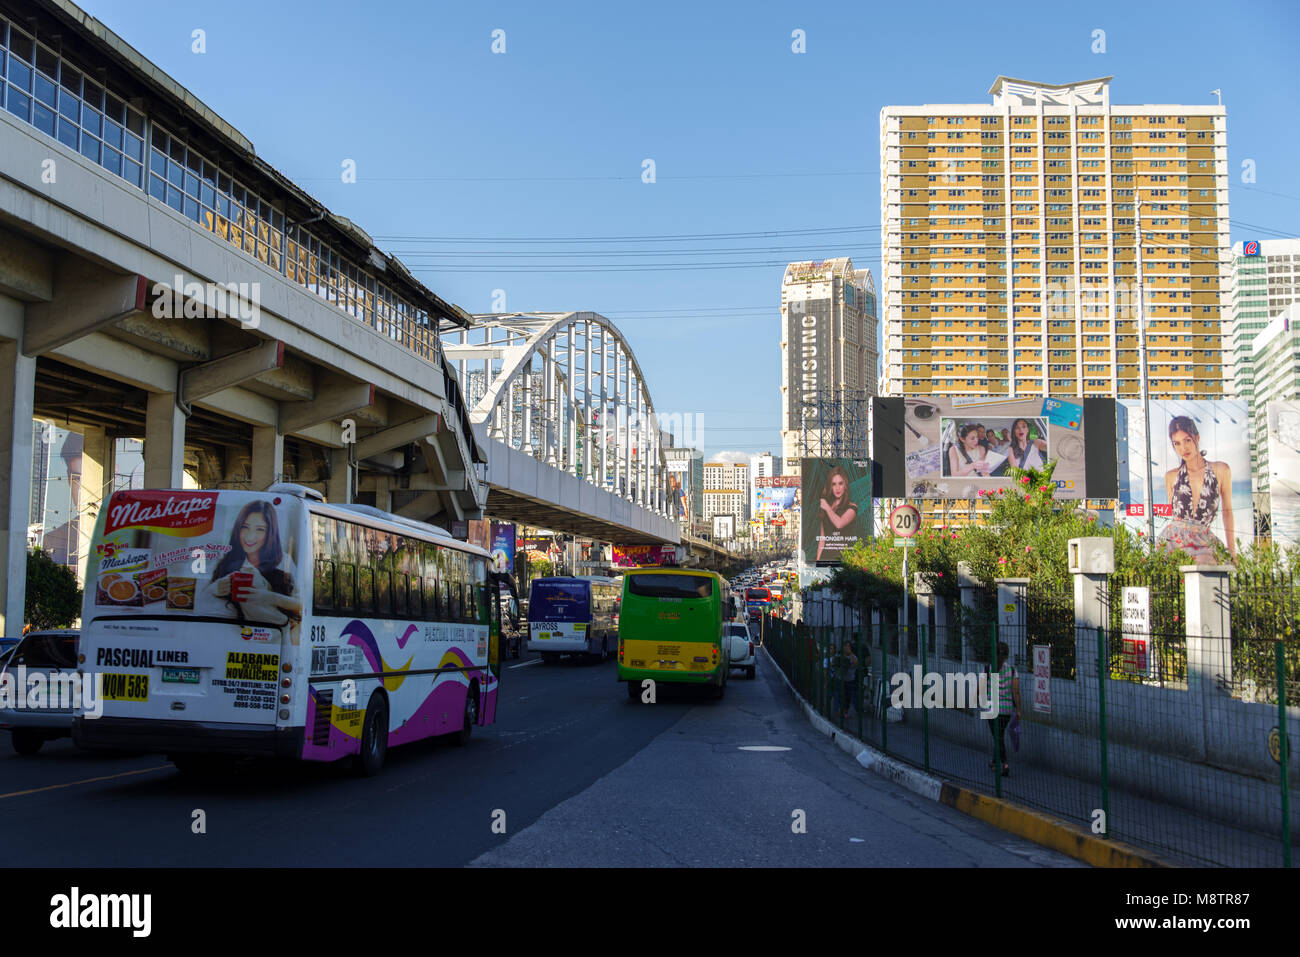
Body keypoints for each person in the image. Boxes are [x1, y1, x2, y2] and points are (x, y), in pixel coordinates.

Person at [203, 500, 302, 630]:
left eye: (260, 530)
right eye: (245, 527)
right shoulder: (225, 561)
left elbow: (301, 604)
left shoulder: (283, 561)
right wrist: (214, 589)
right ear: (238, 529)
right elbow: (200, 600)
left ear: (270, 533)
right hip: (226, 635)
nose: (250, 537)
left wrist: (270, 597)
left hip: (270, 635)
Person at [1162, 415, 1235, 560]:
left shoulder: (1220, 470)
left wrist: (1232, 550)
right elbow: (1174, 516)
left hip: (1204, 540)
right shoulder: (1171, 476)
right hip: (1175, 542)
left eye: (1187, 440)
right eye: (1177, 443)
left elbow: (1227, 512)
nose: (1183, 448)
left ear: (1197, 437)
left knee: (1211, 567)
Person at [987, 641, 1020, 776]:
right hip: (1006, 710)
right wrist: (1018, 710)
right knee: (999, 735)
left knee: (998, 737)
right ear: (1007, 655)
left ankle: (1005, 763)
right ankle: (994, 762)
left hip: (992, 708)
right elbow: (1016, 692)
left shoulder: (988, 669)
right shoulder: (1012, 671)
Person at [815, 467, 860, 562]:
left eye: (840, 483)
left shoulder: (852, 507)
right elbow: (822, 539)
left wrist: (826, 507)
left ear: (845, 486)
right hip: (825, 558)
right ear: (830, 487)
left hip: (844, 558)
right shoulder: (827, 507)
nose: (837, 488)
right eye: (834, 484)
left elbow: (839, 524)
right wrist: (818, 562)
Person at [829, 638, 859, 721]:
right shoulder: (839, 656)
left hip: (850, 679)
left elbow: (856, 663)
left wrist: (850, 654)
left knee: (848, 696)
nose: (847, 648)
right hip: (841, 679)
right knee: (840, 695)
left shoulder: (853, 656)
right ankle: (839, 710)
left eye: (849, 646)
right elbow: (834, 663)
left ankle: (845, 711)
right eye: (846, 646)